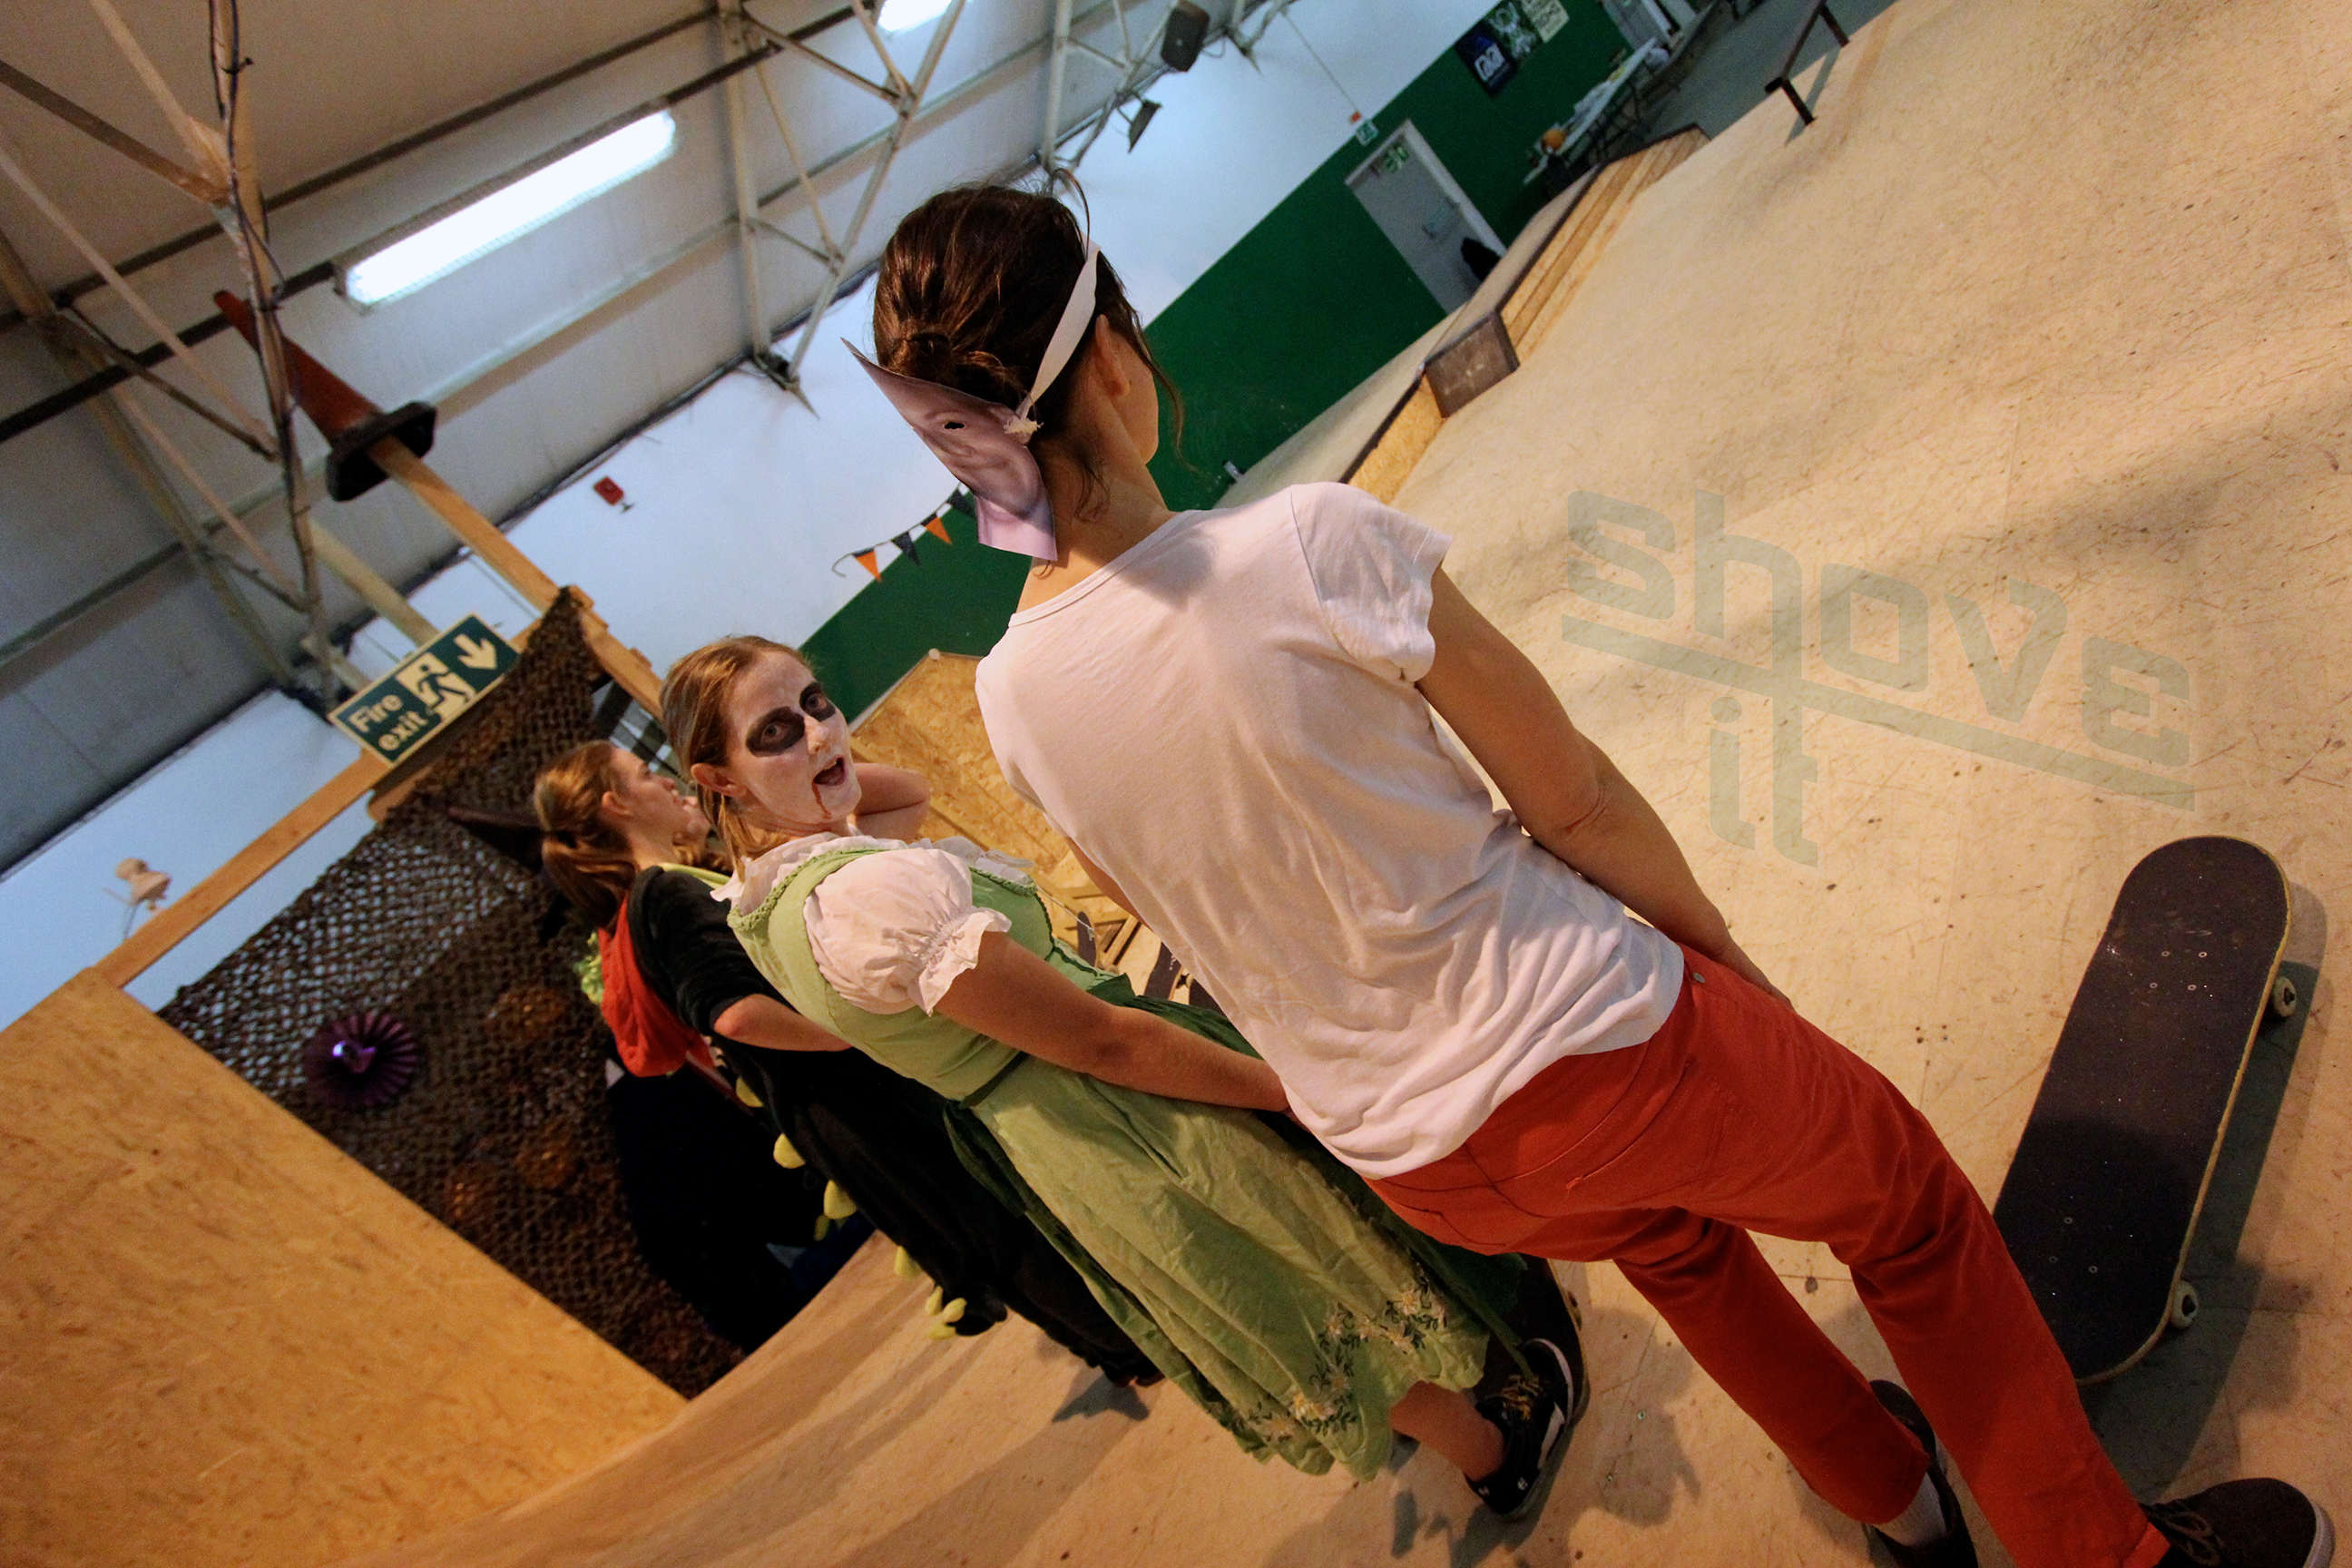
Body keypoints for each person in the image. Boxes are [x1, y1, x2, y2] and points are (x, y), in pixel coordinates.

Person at [858, 181, 2333, 1568]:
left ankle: (1894, 1499)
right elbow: (1572, 797)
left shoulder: (1010, 695)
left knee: (1682, 1252)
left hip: (1418, 1159)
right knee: (1906, 1207)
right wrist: (1725, 968)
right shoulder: (1307, 544)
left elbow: (1167, 903)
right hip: (1591, 1047)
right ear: (1116, 361)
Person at [663, 633, 1583, 1512]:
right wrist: (1287, 1093)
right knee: (1305, 1261)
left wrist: (815, 768)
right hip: (1113, 1110)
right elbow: (1101, 1040)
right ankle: (1498, 1450)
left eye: (817, 702)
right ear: (717, 779)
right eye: (774, 731)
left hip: (1050, 1130)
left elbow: (906, 793)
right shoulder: (865, 898)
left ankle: (1472, 1434)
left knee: (1279, 1283)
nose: (818, 732)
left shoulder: (771, 894)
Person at [534, 739, 1157, 1379]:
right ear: (616, 805)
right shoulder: (663, 894)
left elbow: (904, 793)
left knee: (984, 1222)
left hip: (841, 1107)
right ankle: (1130, 1346)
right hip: (856, 1101)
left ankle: (1120, 1347)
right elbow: (732, 1013)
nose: (667, 783)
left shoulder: (658, 897)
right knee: (996, 1221)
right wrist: (844, 1032)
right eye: (644, 775)